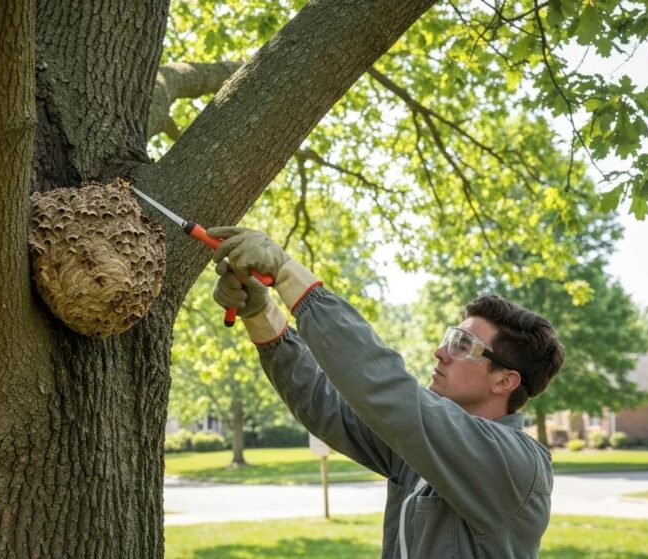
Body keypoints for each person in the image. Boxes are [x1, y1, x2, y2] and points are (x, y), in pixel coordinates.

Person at [207, 226, 565, 559]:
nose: (440, 352)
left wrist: (287, 273)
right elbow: (326, 405)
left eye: (462, 344)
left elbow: (387, 389)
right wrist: (261, 313)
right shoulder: (421, 448)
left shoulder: (516, 464)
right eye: (448, 338)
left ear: (505, 381)